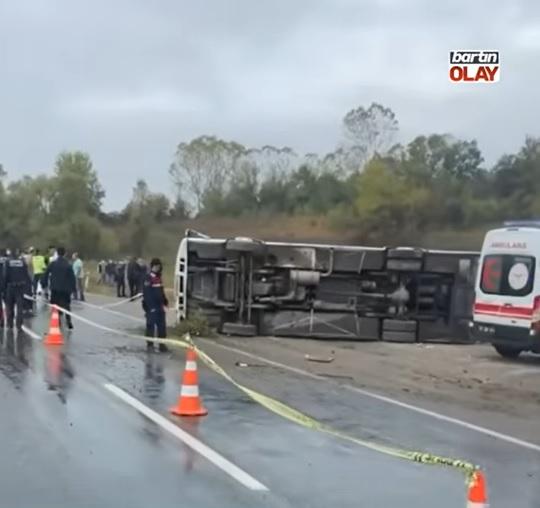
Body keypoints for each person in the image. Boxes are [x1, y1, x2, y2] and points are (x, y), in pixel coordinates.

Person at [42, 247, 76, 330]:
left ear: (57, 253)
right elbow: (72, 277)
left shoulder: (53, 264)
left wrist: (44, 284)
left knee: (55, 306)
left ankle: (57, 322)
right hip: (65, 289)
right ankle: (68, 321)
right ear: (65, 254)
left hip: (55, 288)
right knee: (67, 305)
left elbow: (46, 274)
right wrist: (73, 288)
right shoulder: (68, 265)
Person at [142, 257, 168, 352]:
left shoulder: (158, 278)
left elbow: (161, 291)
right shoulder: (148, 278)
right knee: (150, 326)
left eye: (159, 267)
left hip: (160, 306)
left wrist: (165, 301)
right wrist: (150, 307)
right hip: (152, 307)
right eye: (156, 267)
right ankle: (150, 345)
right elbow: (147, 294)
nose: (158, 268)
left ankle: (162, 345)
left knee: (162, 326)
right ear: (153, 267)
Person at [3, 249, 32, 330]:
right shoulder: (22, 262)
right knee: (19, 307)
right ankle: (19, 324)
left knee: (10, 306)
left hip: (10, 287)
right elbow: (26, 275)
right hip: (20, 287)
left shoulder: (8, 262)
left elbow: (5, 276)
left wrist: (3, 288)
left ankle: (10, 324)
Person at [0, 249, 8, 327]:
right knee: (8, 303)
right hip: (7, 285)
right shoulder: (8, 260)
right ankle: (9, 319)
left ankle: (1, 319)